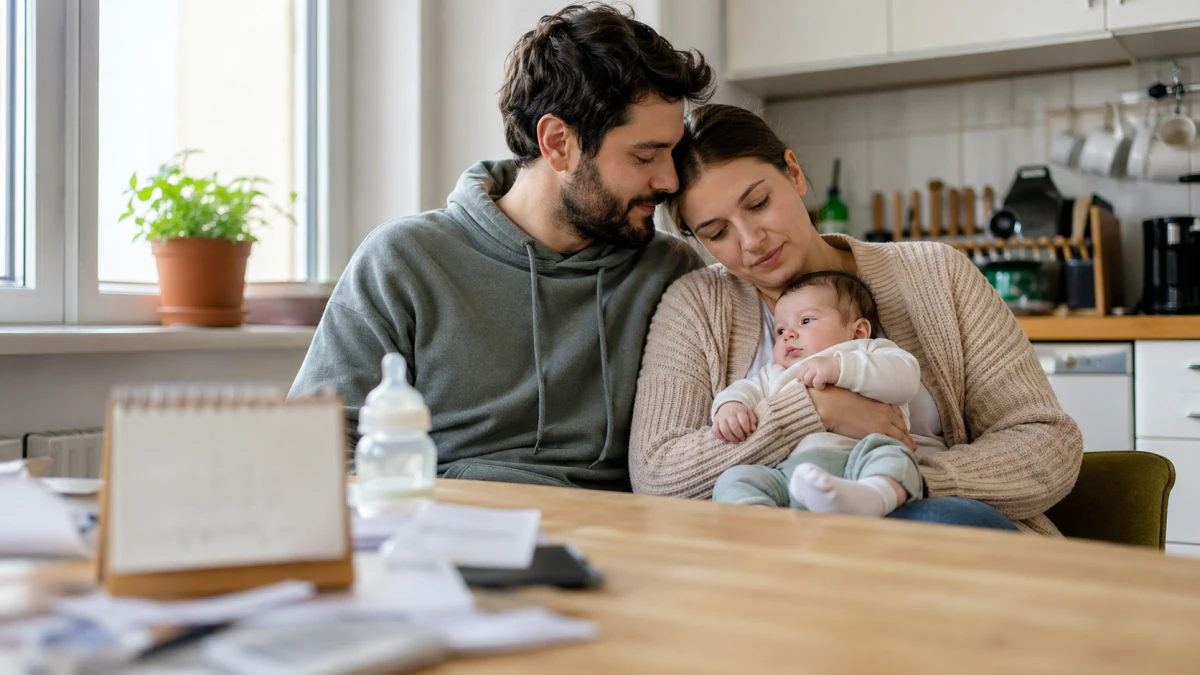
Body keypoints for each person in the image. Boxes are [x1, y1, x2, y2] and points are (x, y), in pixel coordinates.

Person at [291, 5, 713, 489]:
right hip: (447, 529)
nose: (670, 179)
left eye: (672, 152)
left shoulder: (669, 271)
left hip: (616, 540)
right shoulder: (405, 259)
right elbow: (316, 444)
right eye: (645, 155)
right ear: (558, 143)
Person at [629, 104, 1083, 533]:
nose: (751, 240)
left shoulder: (936, 273)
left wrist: (897, 483)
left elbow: (1046, 443)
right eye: (718, 232)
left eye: (759, 203)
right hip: (779, 560)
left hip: (937, 536)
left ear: (794, 172)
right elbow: (658, 477)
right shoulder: (695, 307)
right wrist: (814, 411)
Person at [711, 270, 938, 517]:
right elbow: (746, 389)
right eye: (780, 330)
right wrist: (731, 406)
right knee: (735, 478)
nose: (788, 335)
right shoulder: (775, 372)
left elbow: (905, 378)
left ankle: (873, 495)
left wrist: (840, 368)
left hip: (862, 456)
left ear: (859, 331)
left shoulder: (868, 350)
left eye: (806, 321)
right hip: (791, 472)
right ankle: (758, 521)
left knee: (896, 458)